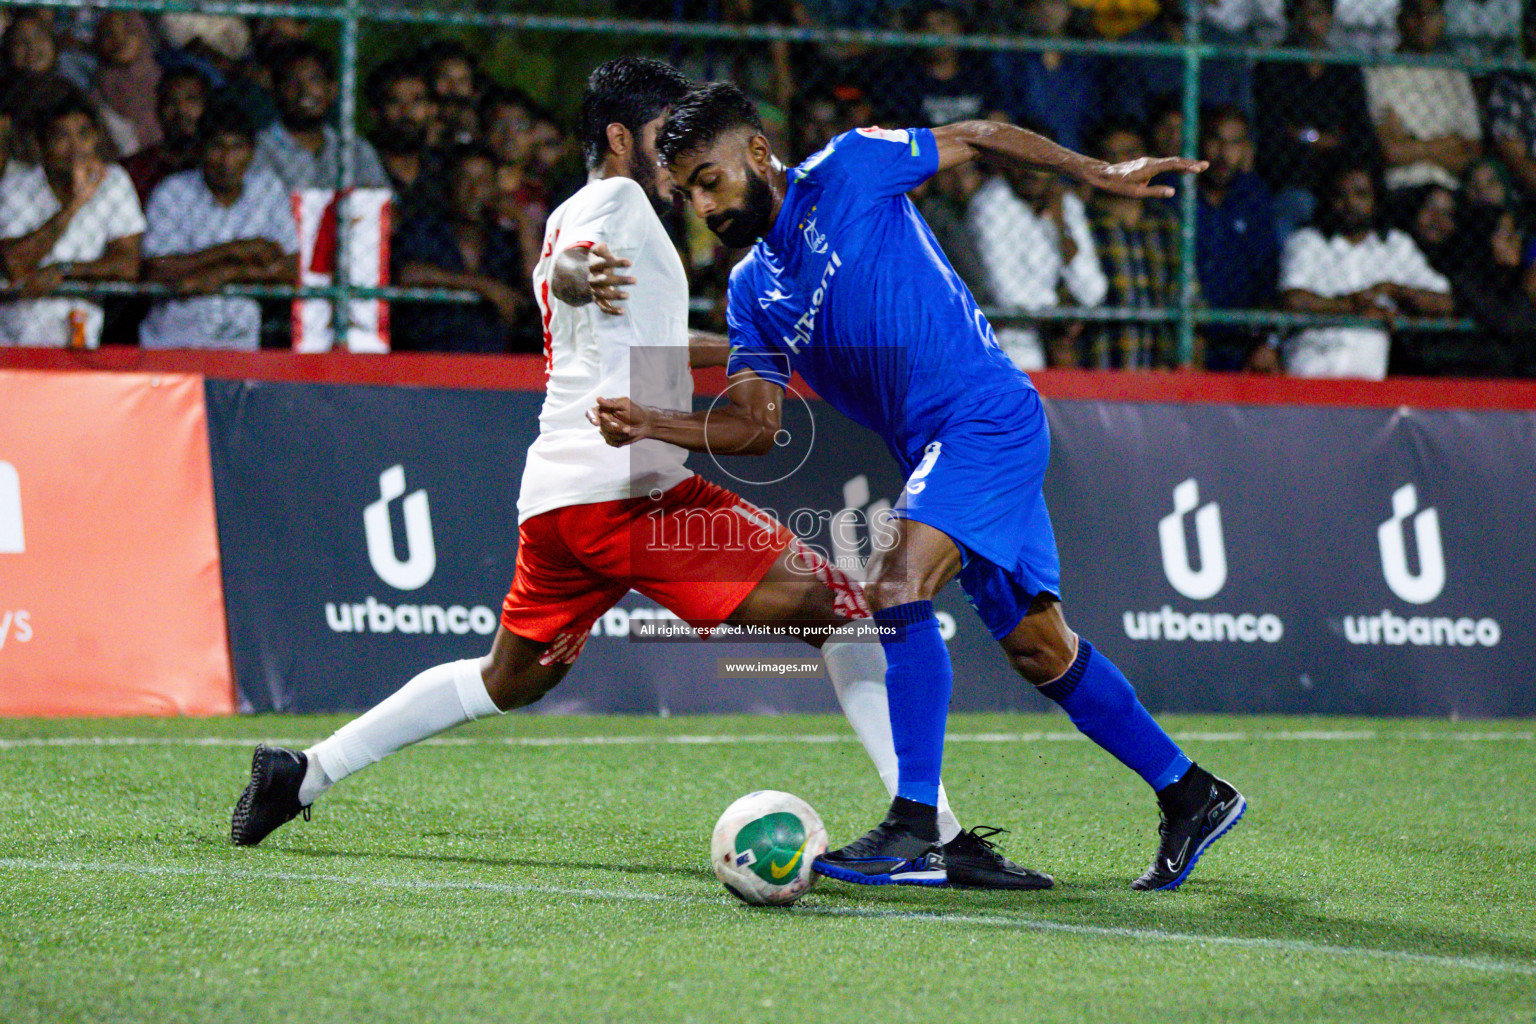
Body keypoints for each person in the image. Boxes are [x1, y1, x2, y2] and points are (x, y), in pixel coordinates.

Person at [231, 57, 1043, 893]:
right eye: (664, 133)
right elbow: (580, 269)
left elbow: (613, 316)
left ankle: (303, 772)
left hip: (558, 498)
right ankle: (936, 834)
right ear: (621, 137)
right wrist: (577, 272)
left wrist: (761, 344)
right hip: (630, 492)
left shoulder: (571, 211)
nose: (676, 152)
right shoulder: (618, 208)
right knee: (846, 616)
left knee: (505, 679)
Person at [638, 82, 1246, 891]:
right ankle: (1191, 791)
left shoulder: (849, 168)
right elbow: (755, 424)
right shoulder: (753, 291)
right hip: (940, 449)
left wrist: (1093, 170)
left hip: (984, 416)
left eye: (708, 179)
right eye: (687, 192)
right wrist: (650, 415)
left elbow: (981, 134)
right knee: (1039, 647)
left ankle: (917, 821)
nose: (702, 205)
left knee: (895, 583)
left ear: (756, 153)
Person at [138, 100, 298, 351]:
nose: (227, 160)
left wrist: (225, 274)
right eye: (217, 147)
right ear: (199, 149)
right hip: (173, 343)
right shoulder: (173, 191)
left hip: (241, 343)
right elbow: (156, 268)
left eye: (237, 147)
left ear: (253, 151)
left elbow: (292, 266)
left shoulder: (267, 188)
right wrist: (236, 250)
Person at [1279, 164, 1453, 378]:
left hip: (1367, 386)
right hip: (1309, 375)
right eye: (1340, 195)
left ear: (1376, 199)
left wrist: (1393, 290)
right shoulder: (1307, 241)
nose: (1350, 203)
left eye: (1360, 194)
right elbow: (1293, 299)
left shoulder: (1395, 246)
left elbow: (1445, 301)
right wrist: (1354, 307)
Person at [0, 94, 144, 348]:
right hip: (14, 340)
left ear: (97, 139)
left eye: (83, 134)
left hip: (81, 339)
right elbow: (13, 263)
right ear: (40, 144)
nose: (75, 147)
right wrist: (73, 205)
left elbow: (127, 266)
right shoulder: (16, 186)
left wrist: (64, 271)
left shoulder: (113, 182)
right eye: (61, 137)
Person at [965, 138, 1107, 370]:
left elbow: (1094, 291)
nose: (1032, 172)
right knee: (1023, 356)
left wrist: (1059, 224)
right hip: (1011, 332)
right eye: (1023, 162)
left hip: (1063, 329)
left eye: (1041, 162)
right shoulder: (991, 204)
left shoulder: (1065, 203)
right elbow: (1010, 295)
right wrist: (1062, 307)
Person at [1253, 0, 1379, 240]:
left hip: (1339, 174)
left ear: (1330, 17)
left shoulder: (1344, 70)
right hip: (1292, 177)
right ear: (1291, 17)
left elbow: (1359, 133)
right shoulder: (1273, 67)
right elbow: (1274, 133)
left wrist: (1304, 135)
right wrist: (1322, 138)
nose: (1310, 23)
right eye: (1303, 13)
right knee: (1296, 206)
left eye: (1317, 14)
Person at [390, 143, 528, 353]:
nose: (473, 191)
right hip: (429, 352)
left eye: (482, 182)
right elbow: (408, 274)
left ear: (495, 189)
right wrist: (482, 286)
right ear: (450, 185)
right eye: (465, 180)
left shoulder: (503, 241)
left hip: (492, 358)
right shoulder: (426, 228)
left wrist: (523, 222)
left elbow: (537, 285)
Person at [1176, 107, 1280, 371]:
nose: (1224, 153)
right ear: (1199, 141)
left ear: (1246, 148)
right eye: (1216, 140)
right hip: (1183, 336)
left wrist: (1268, 341)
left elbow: (1267, 274)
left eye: (1234, 143)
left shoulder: (1255, 197)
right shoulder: (1176, 193)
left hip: (1242, 340)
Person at [1086, 121, 1195, 369]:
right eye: (1114, 157)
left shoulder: (1165, 222)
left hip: (1160, 368)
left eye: (1134, 154)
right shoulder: (1086, 221)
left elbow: (1187, 293)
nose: (1128, 165)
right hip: (1101, 364)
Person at [1363, 0, 1481, 191]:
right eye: (1416, 13)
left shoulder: (1455, 73)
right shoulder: (1378, 70)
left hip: (1451, 187)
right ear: (1400, 20)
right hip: (1401, 186)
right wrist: (1448, 143)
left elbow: (1472, 152)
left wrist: (1411, 145)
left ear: (1442, 20)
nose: (1423, 21)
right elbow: (1391, 152)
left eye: (1431, 14)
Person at [253, 40, 388, 191]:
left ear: (332, 90)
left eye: (314, 80)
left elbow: (382, 204)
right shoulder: (259, 149)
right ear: (276, 91)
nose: (305, 91)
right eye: (291, 82)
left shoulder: (355, 149)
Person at [364, 58, 447, 232]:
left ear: (431, 109)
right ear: (375, 111)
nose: (406, 111)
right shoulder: (359, 164)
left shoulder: (443, 170)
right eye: (395, 101)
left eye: (416, 101)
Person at [123, 67, 209, 204]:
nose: (181, 109)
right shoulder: (136, 169)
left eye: (191, 99)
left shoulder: (220, 163)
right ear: (159, 111)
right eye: (171, 101)